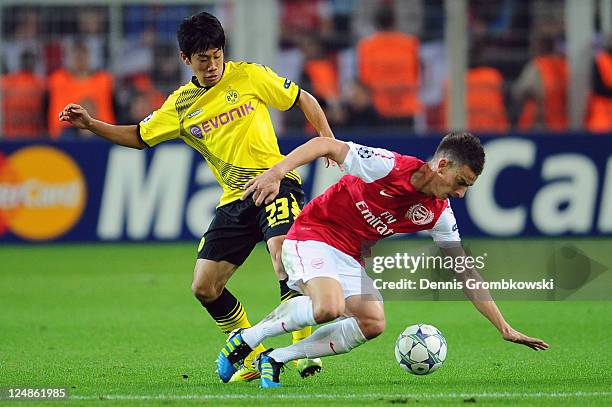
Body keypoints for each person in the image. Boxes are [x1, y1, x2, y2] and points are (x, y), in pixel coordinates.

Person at [59, 11, 335, 381]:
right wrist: (92, 124)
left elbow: (303, 98)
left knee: (283, 255)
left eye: (217, 55)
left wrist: (327, 138)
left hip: (275, 181)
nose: (212, 65)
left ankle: (297, 353)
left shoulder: (249, 75)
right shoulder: (181, 105)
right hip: (235, 199)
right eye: (203, 59)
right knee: (204, 286)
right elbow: (139, 137)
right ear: (186, 59)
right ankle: (251, 353)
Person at [216, 132, 549, 388]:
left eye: (468, 188)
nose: (461, 193)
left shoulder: (438, 214)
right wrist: (277, 172)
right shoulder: (388, 165)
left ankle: (277, 358)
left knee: (372, 322)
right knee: (328, 306)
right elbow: (324, 144)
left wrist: (503, 327)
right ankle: (247, 338)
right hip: (313, 233)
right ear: (442, 165)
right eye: (460, 183)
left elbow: (463, 271)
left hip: (346, 255)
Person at [513, 35, 567, 131]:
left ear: (540, 47)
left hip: (539, 123)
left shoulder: (536, 65)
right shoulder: (564, 65)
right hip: (560, 124)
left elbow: (519, 92)